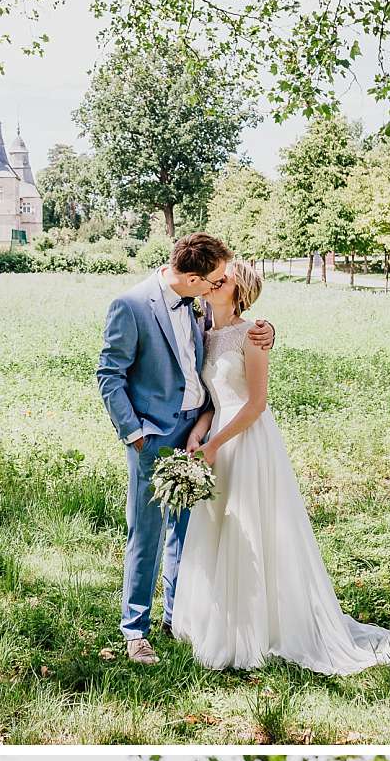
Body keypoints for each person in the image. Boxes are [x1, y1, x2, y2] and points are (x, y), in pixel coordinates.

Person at [171, 257, 390, 675]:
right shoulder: (206, 334)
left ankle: (259, 630)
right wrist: (199, 434)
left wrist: (216, 443)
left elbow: (256, 404)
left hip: (248, 441)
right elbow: (213, 398)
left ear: (237, 290)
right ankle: (218, 619)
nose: (212, 283)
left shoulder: (253, 335)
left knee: (254, 526)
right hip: (218, 439)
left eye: (221, 281)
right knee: (221, 527)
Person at [96, 233, 275, 665]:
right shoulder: (132, 305)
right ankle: (135, 631)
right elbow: (108, 374)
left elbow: (231, 333)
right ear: (193, 279)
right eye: (213, 280)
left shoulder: (196, 307)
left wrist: (267, 328)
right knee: (147, 532)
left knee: (186, 531)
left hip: (197, 429)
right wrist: (135, 434)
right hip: (153, 435)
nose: (218, 285)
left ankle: (177, 619)